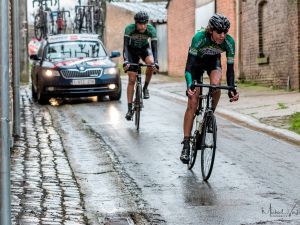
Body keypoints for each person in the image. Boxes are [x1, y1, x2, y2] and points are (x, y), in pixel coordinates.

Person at [180, 13, 239, 164]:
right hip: (196, 66)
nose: (223, 35)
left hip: (213, 63)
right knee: (193, 102)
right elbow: (189, 66)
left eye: (225, 32)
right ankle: (186, 144)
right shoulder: (199, 38)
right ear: (211, 30)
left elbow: (230, 70)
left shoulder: (229, 42)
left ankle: (209, 115)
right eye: (219, 32)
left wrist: (232, 89)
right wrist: (189, 85)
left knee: (216, 86)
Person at [123, 11, 159, 121]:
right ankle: (129, 109)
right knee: (132, 80)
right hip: (131, 51)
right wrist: (126, 61)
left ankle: (145, 88)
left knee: (151, 63)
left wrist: (156, 62)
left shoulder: (151, 30)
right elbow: (125, 47)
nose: (143, 26)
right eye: (140, 24)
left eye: (145, 23)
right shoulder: (129, 29)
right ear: (136, 23)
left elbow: (154, 48)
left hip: (144, 49)